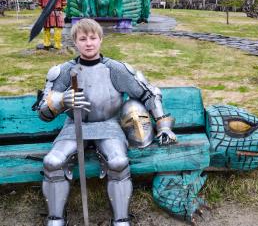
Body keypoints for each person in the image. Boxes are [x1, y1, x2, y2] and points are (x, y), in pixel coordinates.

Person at [37, 18, 176, 226]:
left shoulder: (116, 69)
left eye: (93, 38)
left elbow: (149, 93)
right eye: (82, 39)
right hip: (75, 126)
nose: (88, 43)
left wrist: (163, 126)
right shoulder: (63, 71)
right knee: (52, 162)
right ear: (75, 42)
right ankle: (55, 219)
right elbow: (43, 112)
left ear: (100, 40)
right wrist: (61, 100)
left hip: (108, 125)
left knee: (119, 163)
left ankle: (121, 219)